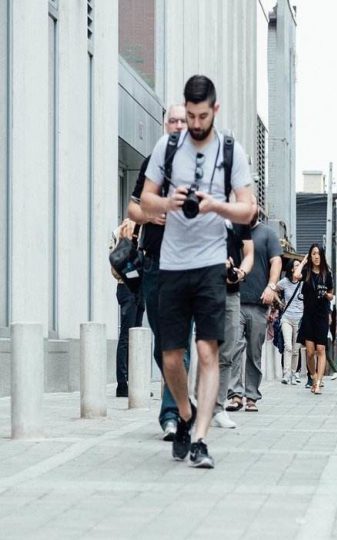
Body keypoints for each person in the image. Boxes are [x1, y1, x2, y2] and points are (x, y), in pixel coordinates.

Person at [140, 75, 255, 468]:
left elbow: (248, 209)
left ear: (215, 110)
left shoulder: (230, 150)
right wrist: (168, 203)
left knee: (207, 351)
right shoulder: (168, 146)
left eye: (202, 115)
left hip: (209, 264)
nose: (195, 123)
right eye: (189, 116)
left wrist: (215, 207)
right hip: (172, 264)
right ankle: (187, 416)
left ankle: (201, 439)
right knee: (171, 356)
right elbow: (144, 199)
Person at [127, 104, 187, 438]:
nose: (178, 125)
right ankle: (179, 402)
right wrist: (150, 216)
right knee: (162, 343)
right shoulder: (154, 163)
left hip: (188, 265)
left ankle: (172, 414)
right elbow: (132, 208)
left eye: (183, 120)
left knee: (180, 342)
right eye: (173, 120)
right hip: (153, 263)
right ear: (165, 125)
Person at [227, 205, 282, 411]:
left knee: (254, 352)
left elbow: (276, 262)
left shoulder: (268, 234)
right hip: (235, 298)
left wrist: (271, 286)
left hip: (259, 302)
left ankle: (251, 396)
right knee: (234, 347)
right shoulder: (233, 230)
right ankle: (235, 395)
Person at [211, 220, 253, 429]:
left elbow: (249, 253)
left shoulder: (238, 218)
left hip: (231, 293)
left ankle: (218, 409)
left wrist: (239, 273)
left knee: (227, 351)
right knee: (204, 349)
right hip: (204, 288)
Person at [110, 218, 145, 398]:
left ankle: (135, 382)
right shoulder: (121, 231)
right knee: (126, 336)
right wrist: (134, 275)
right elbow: (116, 266)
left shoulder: (147, 229)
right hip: (126, 287)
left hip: (140, 290)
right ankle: (122, 384)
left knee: (137, 337)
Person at [297, 243, 335, 394]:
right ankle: (313, 376)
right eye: (313, 253)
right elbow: (295, 275)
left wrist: (326, 295)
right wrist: (303, 261)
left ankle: (318, 383)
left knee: (321, 349)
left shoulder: (327, 274)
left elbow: (332, 294)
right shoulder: (306, 272)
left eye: (318, 253)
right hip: (308, 315)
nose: (316, 256)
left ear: (322, 256)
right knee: (310, 352)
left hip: (322, 315)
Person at [276, 259, 304, 385]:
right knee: (288, 346)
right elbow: (273, 288)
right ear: (292, 269)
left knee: (295, 349)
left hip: (299, 319)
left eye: (300, 265)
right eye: (297, 266)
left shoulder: (304, 283)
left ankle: (293, 373)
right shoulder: (285, 282)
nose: (299, 267)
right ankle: (286, 374)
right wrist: (280, 302)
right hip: (286, 318)